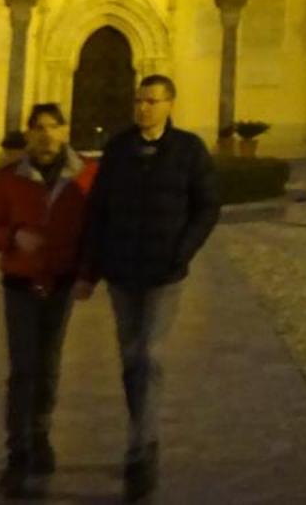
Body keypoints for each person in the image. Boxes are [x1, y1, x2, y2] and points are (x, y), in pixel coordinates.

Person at [76, 75, 220, 502]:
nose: (143, 108)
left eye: (152, 101)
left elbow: (207, 206)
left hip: (164, 273)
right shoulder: (120, 149)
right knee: (129, 357)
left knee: (148, 353)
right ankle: (143, 434)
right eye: (139, 100)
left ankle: (141, 445)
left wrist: (183, 251)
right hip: (122, 271)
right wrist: (91, 267)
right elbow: (98, 209)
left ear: (170, 104)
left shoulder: (189, 150)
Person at [0, 103, 98, 499]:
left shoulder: (86, 177)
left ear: (65, 131)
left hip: (60, 283)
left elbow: (95, 228)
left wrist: (87, 275)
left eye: (53, 127)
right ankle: (18, 451)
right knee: (23, 368)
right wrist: (14, 237)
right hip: (21, 284)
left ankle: (41, 433)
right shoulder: (10, 178)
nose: (45, 135)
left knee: (48, 366)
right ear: (29, 134)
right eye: (38, 128)